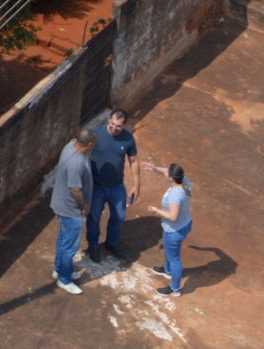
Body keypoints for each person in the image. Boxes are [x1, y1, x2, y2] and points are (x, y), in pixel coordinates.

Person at [86, 109, 140, 263]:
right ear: (109, 119)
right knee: (94, 217)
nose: (114, 128)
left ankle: (111, 243)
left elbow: (134, 161)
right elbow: (82, 153)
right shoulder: (95, 134)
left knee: (119, 216)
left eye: (118, 126)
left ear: (124, 125)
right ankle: (93, 246)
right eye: (112, 123)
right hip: (96, 185)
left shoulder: (128, 139)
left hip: (116, 186)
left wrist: (136, 185)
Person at [50, 128, 96, 294]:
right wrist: (85, 206)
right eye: (93, 143)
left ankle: (60, 269)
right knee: (69, 246)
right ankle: (64, 279)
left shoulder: (70, 146)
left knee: (63, 240)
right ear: (89, 144)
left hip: (62, 204)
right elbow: (75, 189)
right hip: (70, 210)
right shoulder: (76, 163)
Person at [143, 161, 193, 297]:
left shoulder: (175, 195)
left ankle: (174, 289)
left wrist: (156, 211)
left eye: (167, 171)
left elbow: (172, 216)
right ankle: (167, 270)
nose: (164, 171)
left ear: (171, 177)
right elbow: (167, 171)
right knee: (169, 251)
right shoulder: (184, 181)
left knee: (174, 258)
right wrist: (154, 168)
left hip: (174, 230)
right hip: (184, 224)